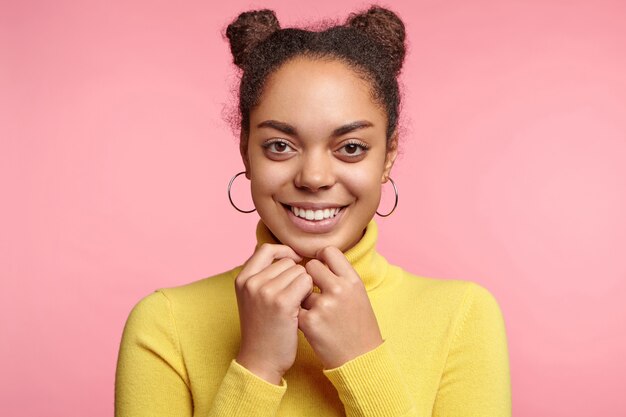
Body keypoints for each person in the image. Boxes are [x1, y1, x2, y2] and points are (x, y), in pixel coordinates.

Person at [114, 5, 511, 417]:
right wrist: (257, 366)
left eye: (351, 148)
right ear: (245, 151)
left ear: (388, 156)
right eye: (280, 146)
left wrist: (362, 359)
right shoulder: (165, 323)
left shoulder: (464, 315)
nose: (315, 177)